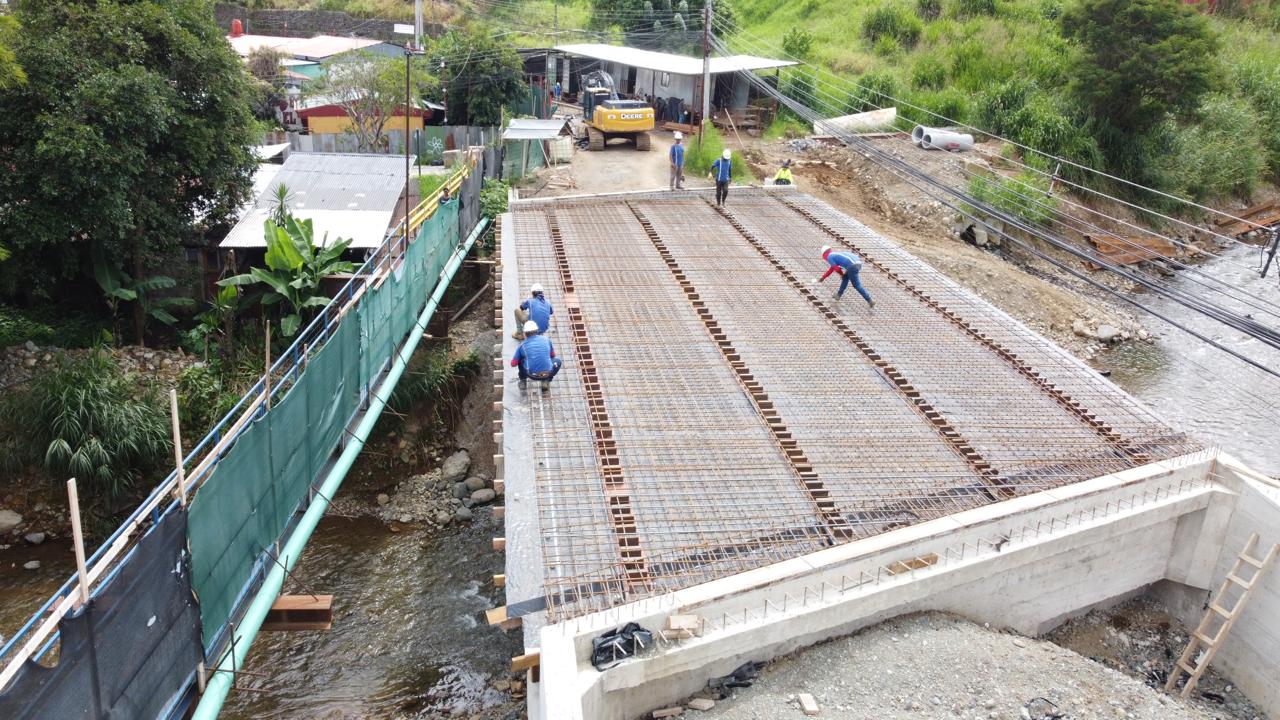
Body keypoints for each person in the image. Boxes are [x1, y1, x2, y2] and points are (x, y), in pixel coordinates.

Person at [511, 320, 562, 391]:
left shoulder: (522, 345)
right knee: (558, 361)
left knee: (520, 360)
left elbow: (513, 364)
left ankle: (523, 381)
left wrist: (525, 356)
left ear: (525, 333)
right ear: (536, 330)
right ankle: (546, 380)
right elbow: (553, 355)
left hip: (532, 374)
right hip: (548, 373)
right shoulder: (546, 339)